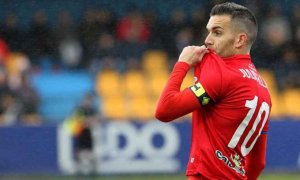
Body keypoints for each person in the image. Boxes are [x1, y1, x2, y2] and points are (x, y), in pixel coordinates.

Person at [155, 2, 271, 180]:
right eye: (209, 31)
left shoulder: (222, 74)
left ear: (240, 40)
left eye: (217, 32)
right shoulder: (263, 88)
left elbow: (165, 110)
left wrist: (182, 64)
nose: (208, 40)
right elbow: (258, 163)